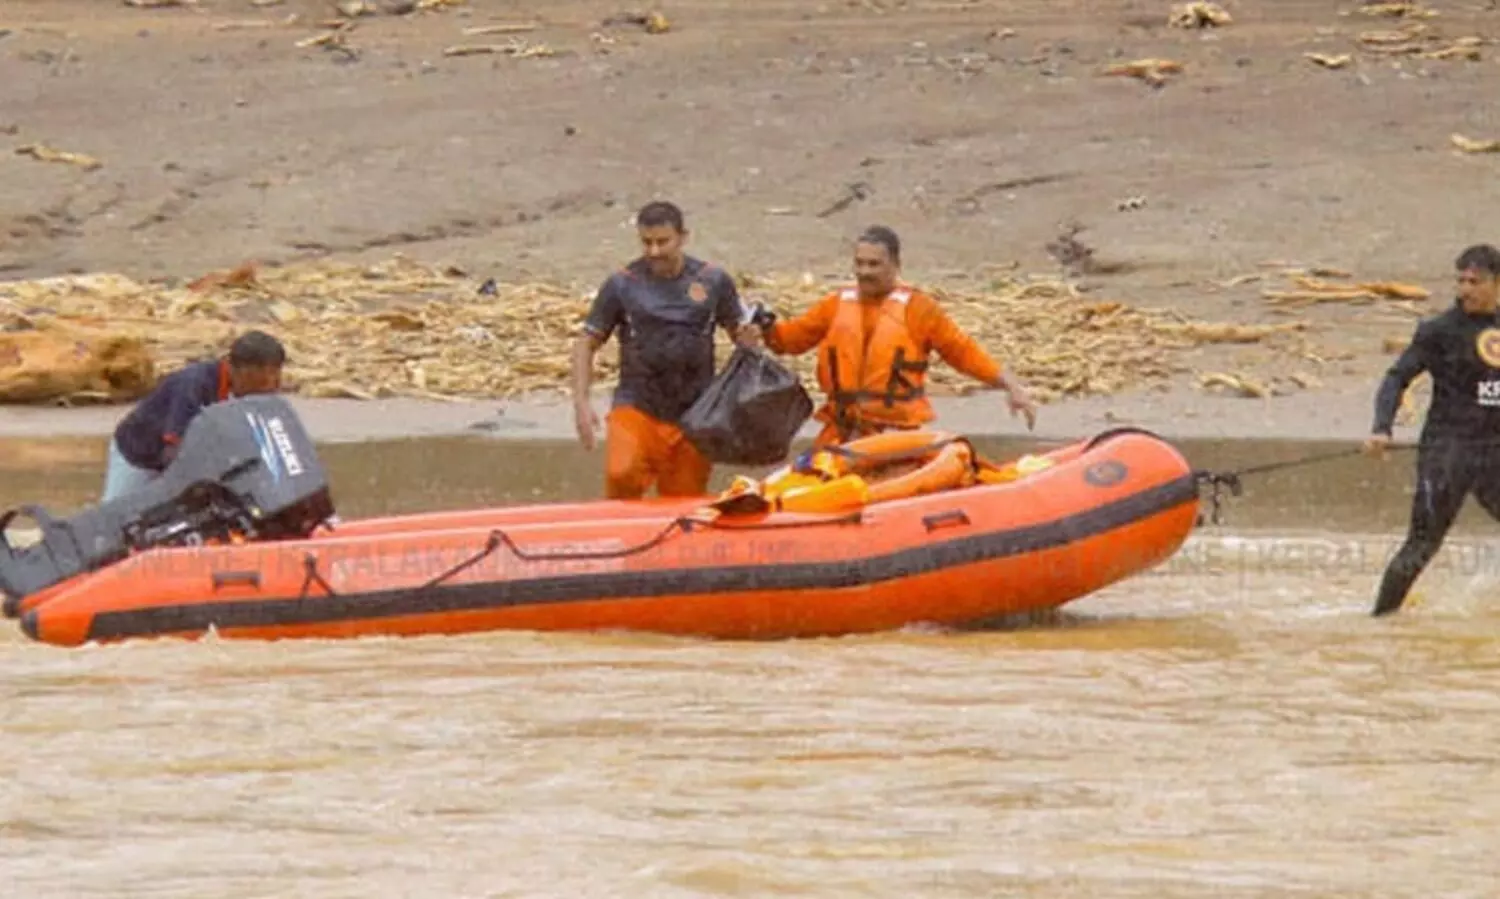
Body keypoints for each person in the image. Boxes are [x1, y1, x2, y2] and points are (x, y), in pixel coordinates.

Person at [751, 224, 1038, 448]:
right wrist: (764, 326)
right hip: (842, 431)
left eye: (874, 264)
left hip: (895, 433)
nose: (864, 272)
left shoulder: (919, 309)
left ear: (895, 265)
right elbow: (789, 341)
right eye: (859, 263)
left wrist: (1011, 386)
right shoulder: (836, 304)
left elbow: (963, 353)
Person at [571, 201, 762, 499]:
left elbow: (739, 331)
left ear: (683, 237)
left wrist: (749, 337)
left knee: (683, 500)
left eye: (663, 242)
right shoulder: (622, 284)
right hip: (637, 405)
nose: (654, 252)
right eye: (646, 243)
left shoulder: (713, 280)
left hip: (695, 411)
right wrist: (581, 404)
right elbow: (586, 343)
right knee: (622, 474)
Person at [1364, 243, 1500, 616]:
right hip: (1446, 453)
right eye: (1461, 280)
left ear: (1497, 284)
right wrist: (1381, 427)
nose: (1466, 289)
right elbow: (1397, 378)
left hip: (1493, 454)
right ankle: (1381, 620)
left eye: (1476, 281)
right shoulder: (1438, 331)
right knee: (1423, 543)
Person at [103, 330, 287, 502]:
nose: (267, 390)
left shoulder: (255, 396)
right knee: (114, 518)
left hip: (185, 455)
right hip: (138, 454)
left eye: (274, 382)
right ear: (232, 368)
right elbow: (173, 449)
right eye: (259, 382)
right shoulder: (193, 385)